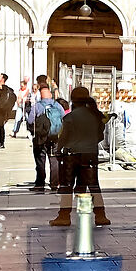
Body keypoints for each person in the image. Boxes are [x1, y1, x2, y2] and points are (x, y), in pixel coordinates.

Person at [54, 85, 109, 228]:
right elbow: (99, 136)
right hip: (90, 154)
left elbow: (63, 138)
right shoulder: (96, 116)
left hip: (72, 155)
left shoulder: (70, 117)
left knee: (67, 186)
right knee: (93, 185)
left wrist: (58, 150)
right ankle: (100, 215)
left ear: (72, 100)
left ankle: (64, 216)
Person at [27, 77, 61, 191]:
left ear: (40, 96)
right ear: (50, 95)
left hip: (41, 138)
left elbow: (30, 121)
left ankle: (40, 184)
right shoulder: (57, 105)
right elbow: (65, 117)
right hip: (54, 137)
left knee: (40, 160)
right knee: (54, 160)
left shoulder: (37, 106)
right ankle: (54, 184)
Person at [0, 75, 15, 150]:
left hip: (1, 111)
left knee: (0, 126)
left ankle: (1, 143)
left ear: (3, 79)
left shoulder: (4, 87)